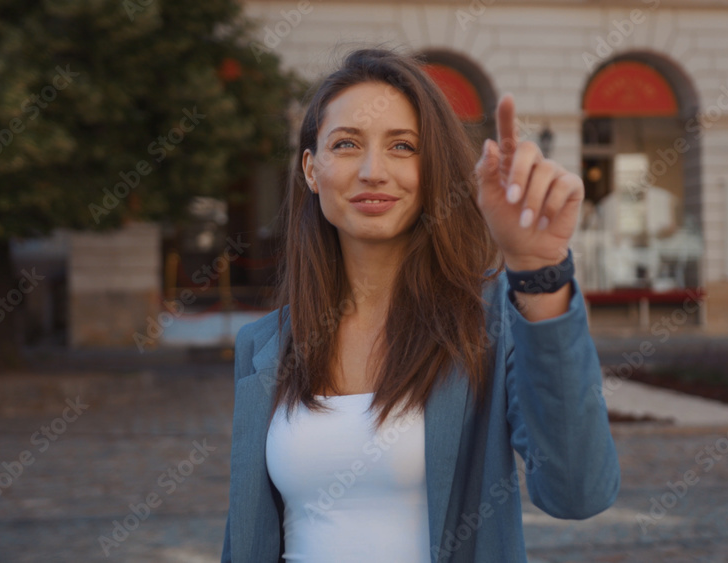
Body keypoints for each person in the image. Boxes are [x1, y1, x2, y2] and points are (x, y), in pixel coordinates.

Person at [221, 48, 620, 563]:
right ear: (310, 170)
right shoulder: (263, 346)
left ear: (431, 169)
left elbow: (578, 491)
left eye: (403, 147)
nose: (373, 171)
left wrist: (539, 271)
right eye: (345, 144)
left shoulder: (491, 323)